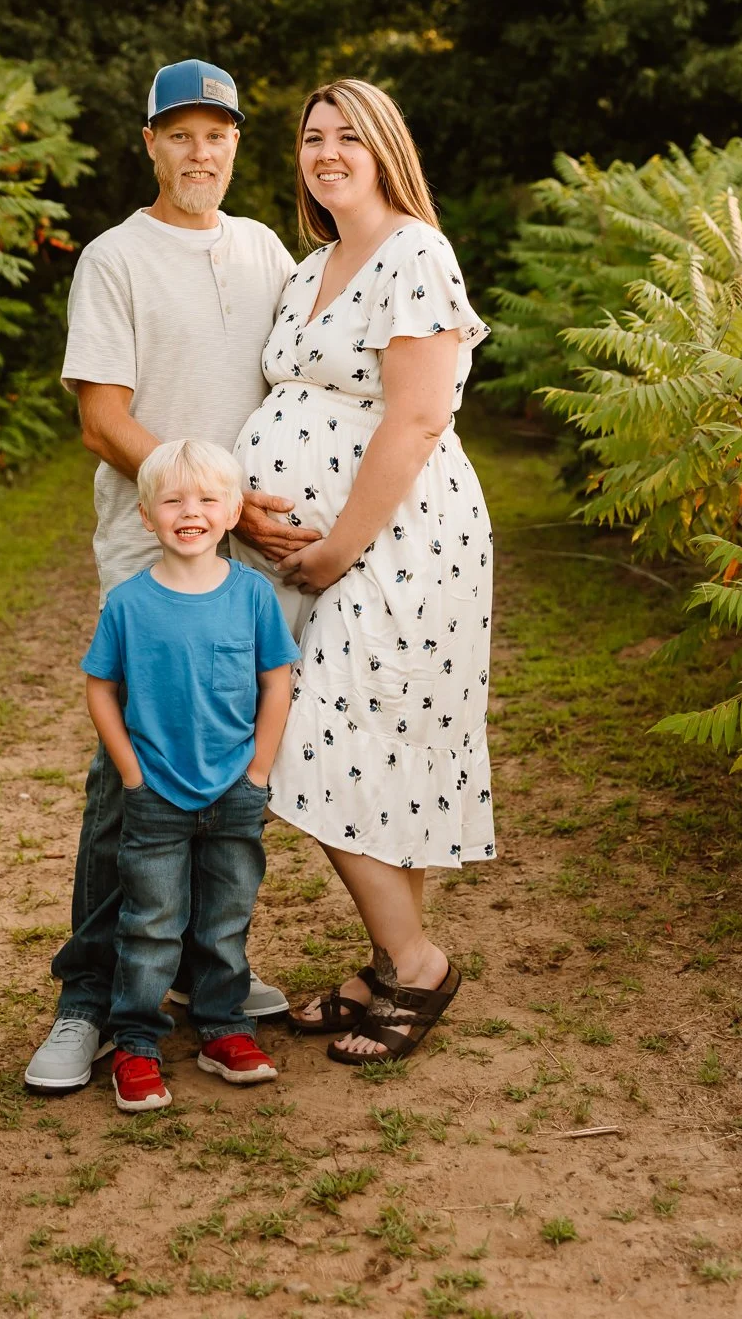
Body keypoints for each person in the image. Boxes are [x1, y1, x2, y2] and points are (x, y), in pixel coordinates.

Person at [26, 59, 316, 1095]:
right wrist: (208, 498)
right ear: (149, 143)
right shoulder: (114, 258)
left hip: (248, 556)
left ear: (238, 143)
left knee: (227, 765)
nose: (202, 152)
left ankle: (205, 975)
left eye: (219, 134)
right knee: (131, 783)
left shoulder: (268, 248)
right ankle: (87, 999)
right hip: (154, 547)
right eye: (181, 134)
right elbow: (102, 416)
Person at [232, 78, 495, 1065]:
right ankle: (389, 964)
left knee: (313, 734)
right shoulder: (310, 269)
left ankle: (419, 964)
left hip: (402, 541)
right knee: (380, 743)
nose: (328, 150)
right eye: (312, 137)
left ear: (387, 147)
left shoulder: (414, 253)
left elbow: (418, 416)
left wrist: (336, 544)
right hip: (321, 552)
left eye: (349, 135)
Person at [82, 438, 298, 1111]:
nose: (190, 512)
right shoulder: (128, 603)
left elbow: (276, 680)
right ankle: (136, 1043)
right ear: (146, 516)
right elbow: (99, 689)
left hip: (235, 789)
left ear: (234, 511)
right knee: (150, 924)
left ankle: (222, 1025)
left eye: (207, 499)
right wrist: (132, 776)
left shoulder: (252, 596)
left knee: (225, 918)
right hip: (154, 794)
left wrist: (258, 769)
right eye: (172, 500)